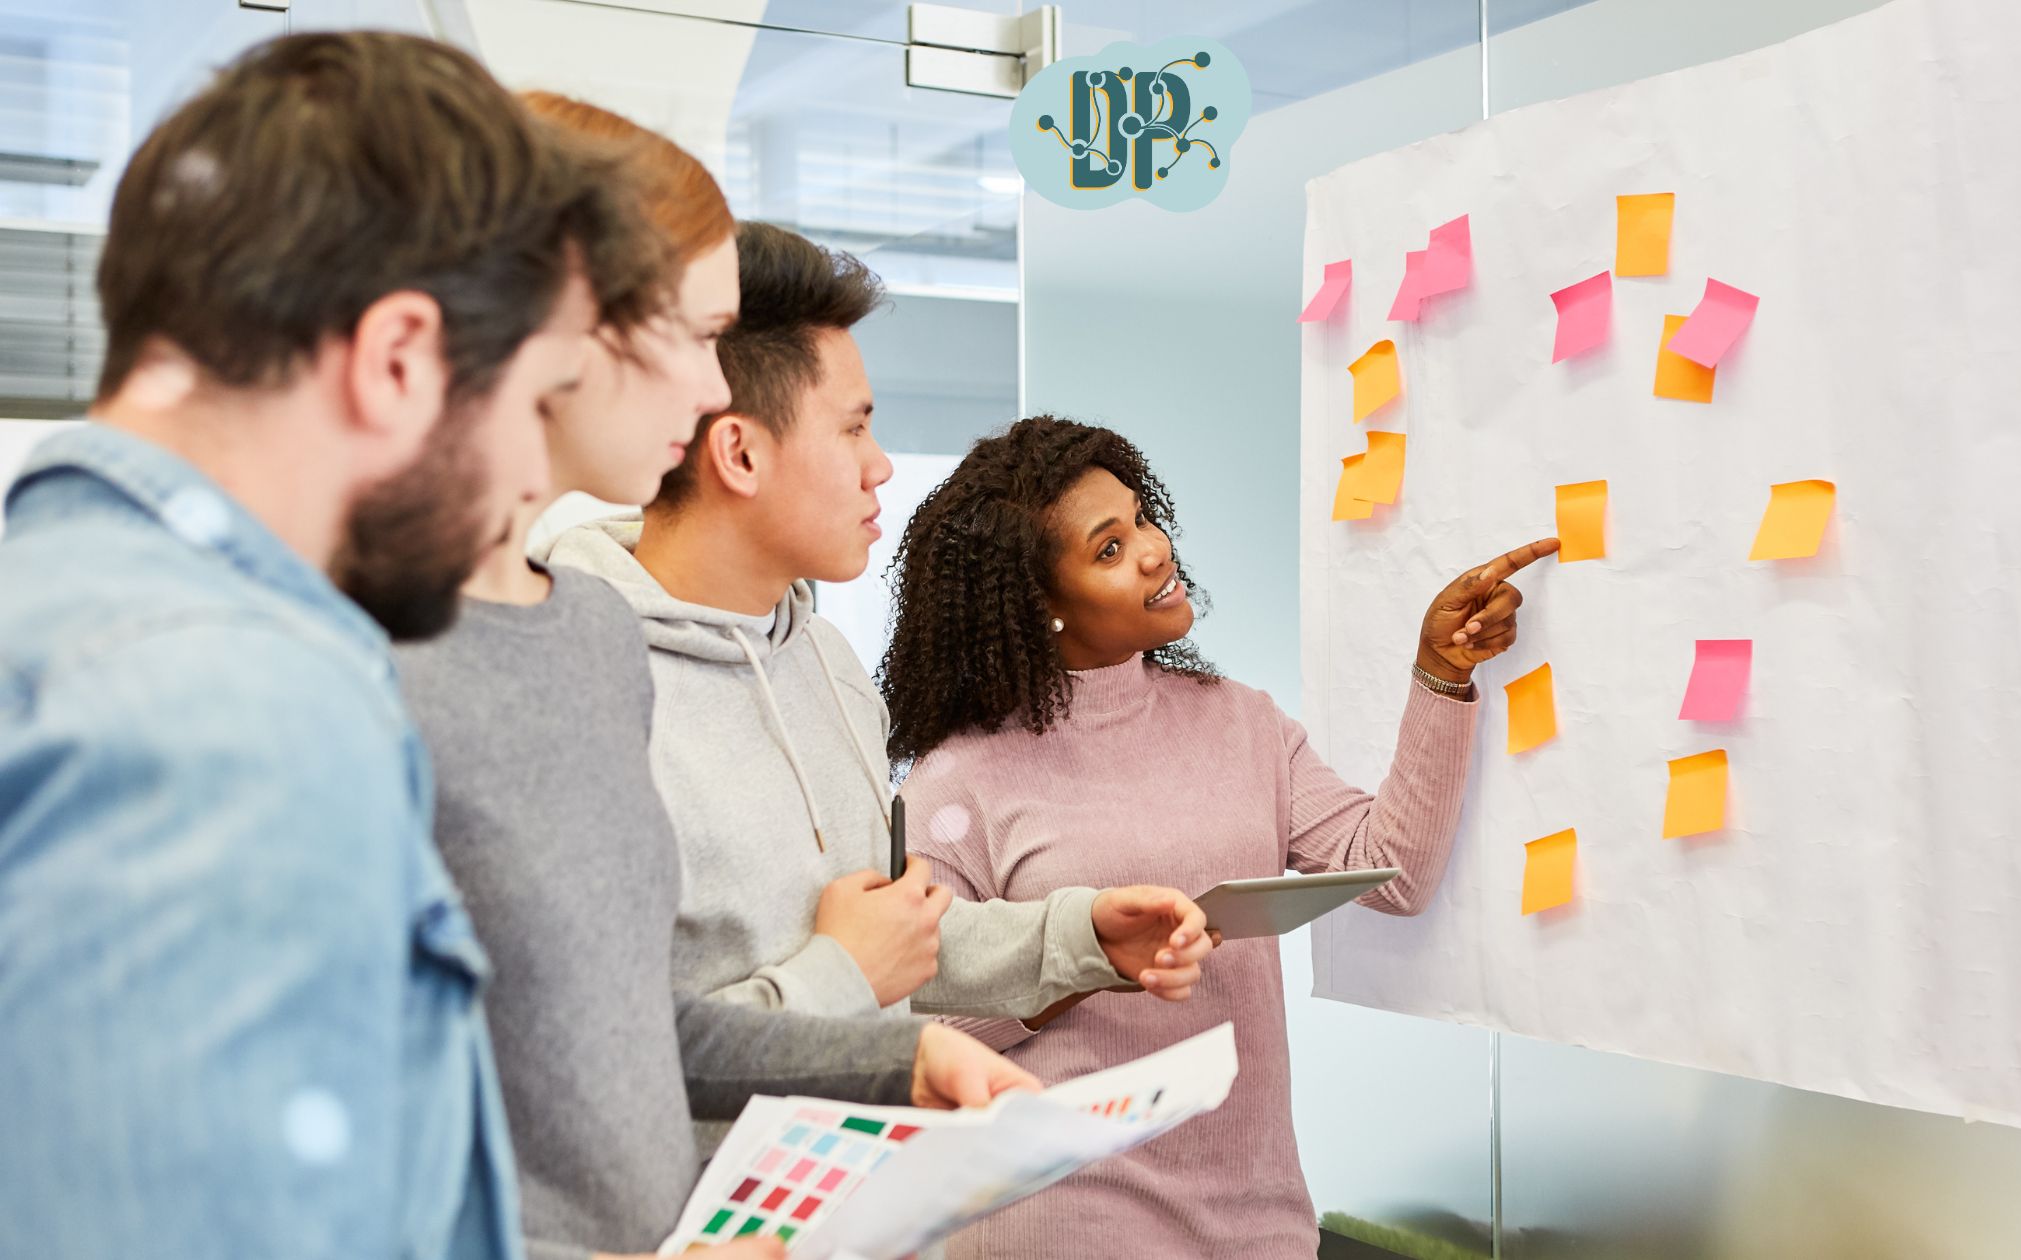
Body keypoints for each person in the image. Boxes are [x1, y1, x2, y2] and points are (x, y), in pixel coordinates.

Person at [0, 32, 668, 1260]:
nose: (532, 475)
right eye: (531, 402)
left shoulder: (59, 614)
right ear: (398, 358)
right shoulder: (226, 712)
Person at [394, 96, 1036, 1260]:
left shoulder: (578, 635)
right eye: (690, 336)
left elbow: (620, 1031)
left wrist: (895, 1052)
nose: (704, 392)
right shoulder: (370, 651)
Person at [542, 225, 1213, 1155]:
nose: (882, 464)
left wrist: (1082, 936)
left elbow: (899, 935)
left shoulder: (826, 661)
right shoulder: (574, 694)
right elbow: (570, 1059)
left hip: (864, 1207)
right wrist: (841, 972)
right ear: (739, 455)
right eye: (854, 427)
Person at [880, 416, 1561, 1258]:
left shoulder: (1240, 721)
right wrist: (1085, 958)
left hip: (1256, 1214)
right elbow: (908, 1021)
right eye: (1107, 549)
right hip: (1062, 1215)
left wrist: (1442, 673)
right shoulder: (960, 781)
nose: (1154, 551)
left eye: (1141, 519)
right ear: (1037, 607)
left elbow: (1389, 874)